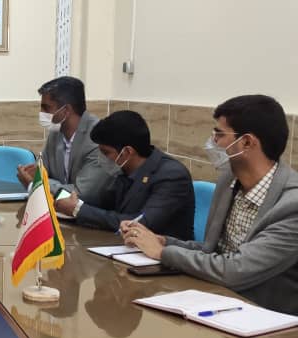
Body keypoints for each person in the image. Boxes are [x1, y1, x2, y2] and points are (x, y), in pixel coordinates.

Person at [124, 95, 298, 315]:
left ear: (247, 142)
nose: (212, 142)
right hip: (216, 299)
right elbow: (213, 251)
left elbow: (236, 270)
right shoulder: (229, 180)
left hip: (267, 319)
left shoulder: (292, 206)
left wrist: (163, 253)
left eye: (219, 134)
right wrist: (163, 241)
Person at [55, 110, 195, 240]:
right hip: (122, 246)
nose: (101, 158)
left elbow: (139, 224)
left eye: (106, 152)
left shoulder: (172, 175)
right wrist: (70, 201)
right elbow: (103, 203)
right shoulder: (124, 169)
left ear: (127, 152)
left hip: (162, 255)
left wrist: (79, 209)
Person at [17, 76, 109, 205]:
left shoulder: (97, 137)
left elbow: (81, 193)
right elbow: (41, 171)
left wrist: (37, 183)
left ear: (66, 110)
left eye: (46, 108)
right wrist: (34, 177)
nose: (41, 112)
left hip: (90, 212)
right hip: (58, 209)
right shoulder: (56, 132)